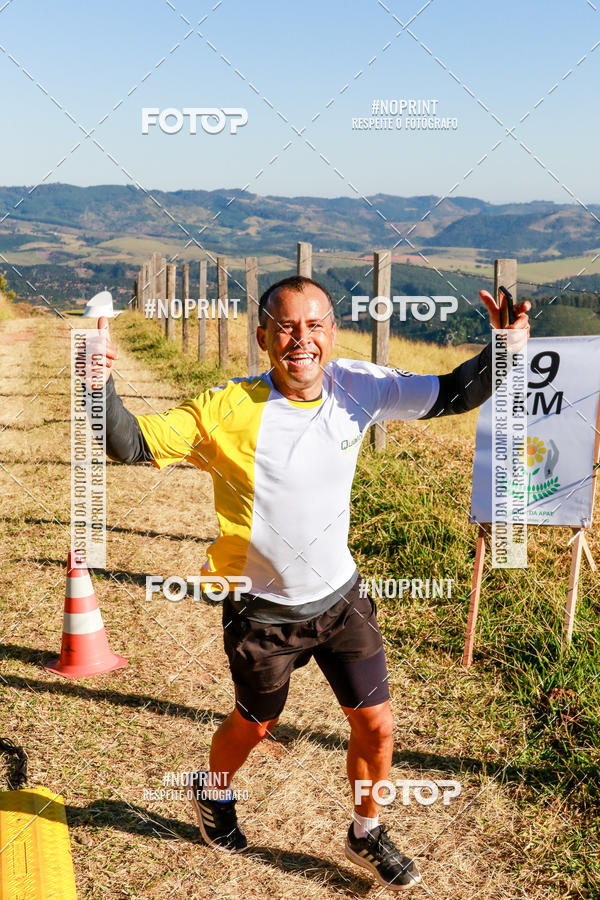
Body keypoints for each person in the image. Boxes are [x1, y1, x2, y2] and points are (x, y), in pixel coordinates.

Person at [95, 275, 530, 892]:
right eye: (287, 326)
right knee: (255, 723)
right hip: (261, 613)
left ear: (332, 331)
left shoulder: (359, 387)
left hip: (341, 599)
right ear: (264, 335)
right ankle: (212, 792)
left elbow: (457, 394)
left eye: (316, 325)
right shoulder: (226, 409)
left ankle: (366, 831)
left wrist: (506, 345)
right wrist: (96, 380)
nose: (303, 339)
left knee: (377, 724)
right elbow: (127, 441)